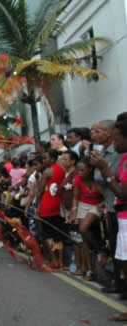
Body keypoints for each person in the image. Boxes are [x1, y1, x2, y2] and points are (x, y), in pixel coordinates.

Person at [89, 112, 127, 322]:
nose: (115, 141)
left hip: (122, 212)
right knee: (120, 258)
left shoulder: (120, 156)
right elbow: (99, 179)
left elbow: (122, 191)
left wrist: (105, 169)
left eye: (118, 137)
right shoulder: (115, 156)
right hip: (117, 213)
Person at [69, 157, 104, 280]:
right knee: (83, 241)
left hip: (97, 206)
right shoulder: (78, 179)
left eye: (82, 170)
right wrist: (74, 211)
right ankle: (89, 270)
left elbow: (106, 197)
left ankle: (100, 249)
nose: (79, 173)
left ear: (90, 170)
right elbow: (76, 197)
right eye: (78, 170)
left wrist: (101, 205)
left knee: (83, 228)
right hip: (83, 206)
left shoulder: (98, 180)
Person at [36, 150, 66, 269]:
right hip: (58, 203)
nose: (43, 160)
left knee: (48, 234)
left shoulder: (47, 171)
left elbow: (40, 190)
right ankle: (61, 261)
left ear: (53, 159)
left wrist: (37, 205)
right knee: (58, 234)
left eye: (45, 158)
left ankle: (54, 260)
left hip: (47, 204)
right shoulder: (61, 169)